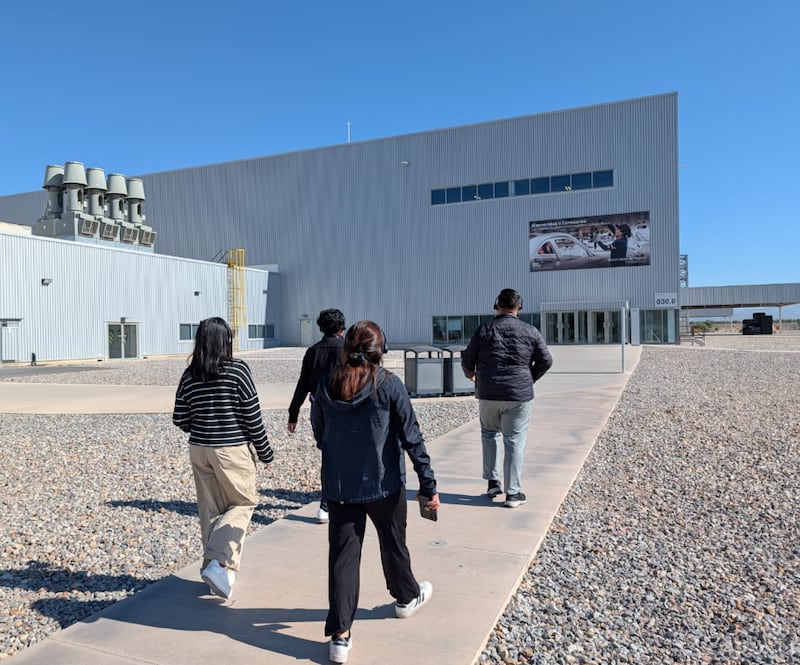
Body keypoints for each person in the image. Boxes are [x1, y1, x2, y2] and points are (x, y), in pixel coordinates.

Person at [311, 321, 439, 664]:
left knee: (343, 558)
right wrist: (428, 484)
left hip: (340, 486)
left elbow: (320, 435)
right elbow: (412, 436)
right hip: (384, 485)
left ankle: (340, 635)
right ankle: (405, 598)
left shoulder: (326, 385)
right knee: (393, 543)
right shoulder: (389, 385)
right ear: (379, 350)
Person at [172, 317, 273, 600]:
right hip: (231, 450)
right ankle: (219, 563)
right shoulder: (238, 370)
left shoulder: (190, 374)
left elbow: (179, 417)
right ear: (226, 340)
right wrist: (265, 451)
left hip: (199, 449)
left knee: (212, 511)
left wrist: (203, 424)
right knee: (243, 502)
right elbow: (252, 416)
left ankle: (214, 573)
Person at [461, 288, 552, 508]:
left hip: (489, 393)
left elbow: (467, 359)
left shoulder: (484, 330)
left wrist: (471, 375)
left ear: (497, 305)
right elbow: (546, 360)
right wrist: (528, 379)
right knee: (514, 441)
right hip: (518, 395)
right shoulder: (530, 331)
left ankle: (493, 482)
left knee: (489, 434)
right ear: (519, 306)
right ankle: (513, 493)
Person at [287, 308, 346, 524]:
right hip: (347, 409)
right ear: (342, 328)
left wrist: (293, 413)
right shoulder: (348, 350)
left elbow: (302, 384)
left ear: (320, 328)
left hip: (319, 409)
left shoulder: (313, 351)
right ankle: (346, 498)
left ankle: (325, 505)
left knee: (329, 455)